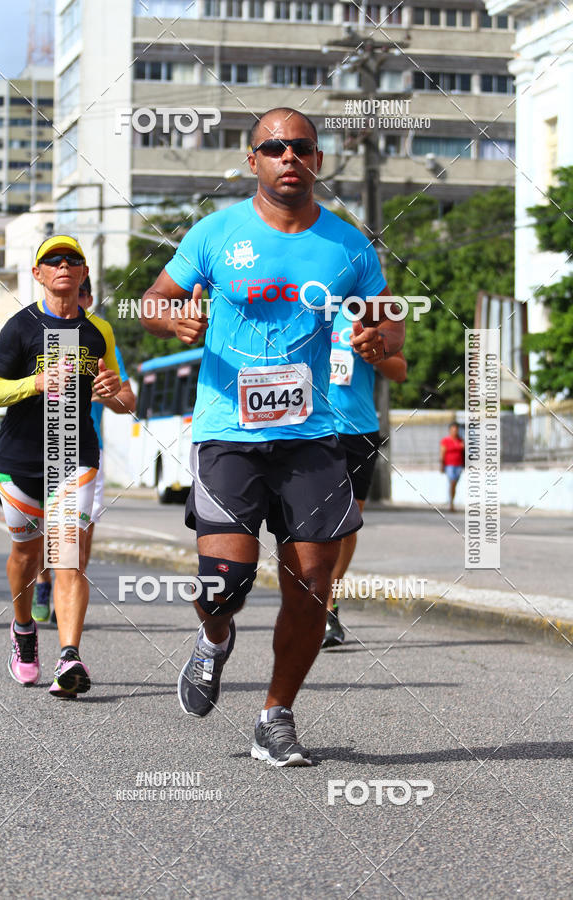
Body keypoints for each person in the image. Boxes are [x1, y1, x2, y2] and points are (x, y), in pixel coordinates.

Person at [141, 107, 405, 766]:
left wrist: (378, 342)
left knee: (312, 582)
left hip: (313, 434)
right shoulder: (215, 232)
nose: (290, 157)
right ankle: (214, 640)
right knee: (225, 579)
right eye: (275, 147)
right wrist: (174, 320)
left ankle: (275, 716)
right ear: (252, 159)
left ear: (317, 160)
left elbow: (390, 332)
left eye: (302, 148)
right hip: (229, 429)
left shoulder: (350, 246)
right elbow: (153, 300)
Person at [0, 235, 121, 698]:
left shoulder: (98, 331)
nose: (63, 265)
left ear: (83, 274)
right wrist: (35, 382)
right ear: (38, 274)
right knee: (26, 556)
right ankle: (23, 631)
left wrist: (112, 390)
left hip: (73, 455)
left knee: (68, 559)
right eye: (52, 260)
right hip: (20, 458)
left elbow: (120, 396)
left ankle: (69, 656)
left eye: (73, 259)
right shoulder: (20, 327)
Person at [32, 275, 136, 625]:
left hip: (87, 453)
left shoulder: (100, 341)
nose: (75, 300)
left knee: (81, 533)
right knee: (45, 531)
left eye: (82, 293)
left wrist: (110, 394)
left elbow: (128, 399)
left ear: (88, 298)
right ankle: (44, 581)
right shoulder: (33, 332)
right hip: (40, 449)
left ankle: (68, 587)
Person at [323, 302, 407, 647]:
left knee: (348, 523)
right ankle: (318, 604)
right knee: (317, 521)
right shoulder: (306, 307)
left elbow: (400, 371)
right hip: (314, 428)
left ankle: (328, 602)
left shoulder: (373, 313)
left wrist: (373, 354)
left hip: (359, 431)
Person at [440, 421, 465, 512]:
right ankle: (451, 503)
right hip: (449, 465)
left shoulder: (460, 440)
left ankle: (451, 500)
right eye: (453, 430)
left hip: (459, 465)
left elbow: (464, 453)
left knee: (455, 484)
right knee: (453, 482)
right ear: (450, 431)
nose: (455, 432)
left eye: (456, 430)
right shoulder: (445, 441)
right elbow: (442, 453)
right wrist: (442, 465)